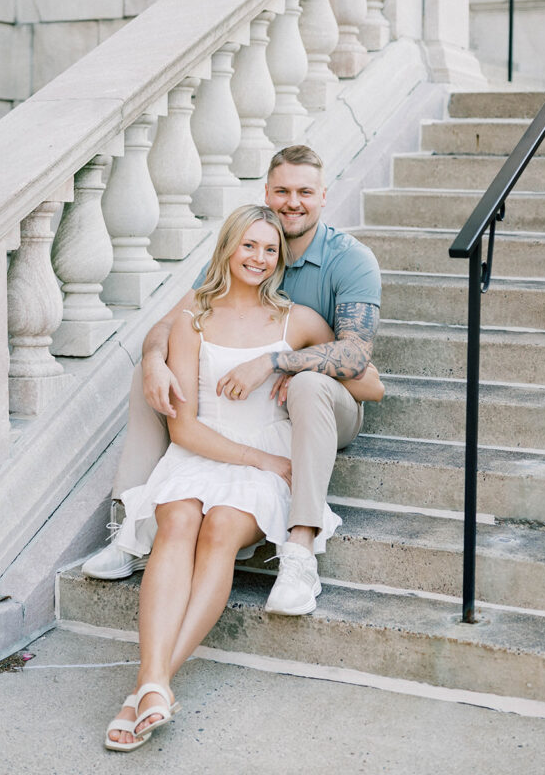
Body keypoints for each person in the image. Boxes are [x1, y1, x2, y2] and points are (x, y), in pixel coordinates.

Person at [104, 204, 382, 751]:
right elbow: (182, 430)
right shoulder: (194, 321)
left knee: (222, 528)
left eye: (270, 249)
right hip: (209, 453)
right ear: (228, 248)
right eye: (248, 246)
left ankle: (148, 686)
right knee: (178, 521)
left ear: (280, 259)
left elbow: (370, 383)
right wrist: (259, 463)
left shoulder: (296, 319)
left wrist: (288, 361)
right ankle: (153, 684)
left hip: (268, 452)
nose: (258, 258)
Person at [84, 145, 383, 615]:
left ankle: (301, 551)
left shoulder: (349, 260)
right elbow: (171, 323)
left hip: (323, 403)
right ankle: (131, 526)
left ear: (323, 197)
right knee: (157, 380)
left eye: (305, 192)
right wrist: (151, 360)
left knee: (307, 386)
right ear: (267, 192)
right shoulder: (251, 247)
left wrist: (279, 361)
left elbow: (362, 366)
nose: (292, 202)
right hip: (252, 404)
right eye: (282, 190)